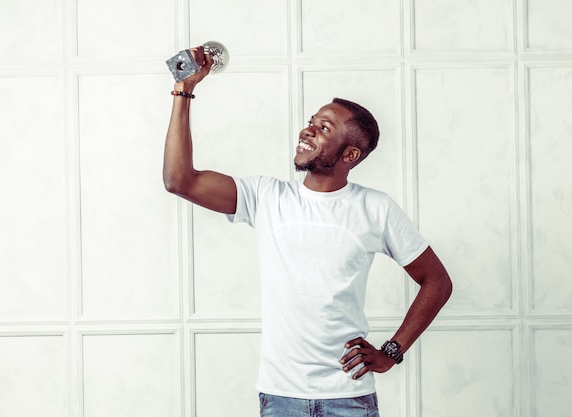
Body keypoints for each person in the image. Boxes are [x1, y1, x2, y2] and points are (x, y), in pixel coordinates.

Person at [163, 46, 452, 417]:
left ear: (349, 155)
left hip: (349, 398)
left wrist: (392, 352)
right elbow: (179, 179)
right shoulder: (266, 197)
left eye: (324, 128)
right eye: (312, 120)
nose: (307, 129)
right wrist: (183, 92)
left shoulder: (375, 209)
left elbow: (437, 281)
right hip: (280, 397)